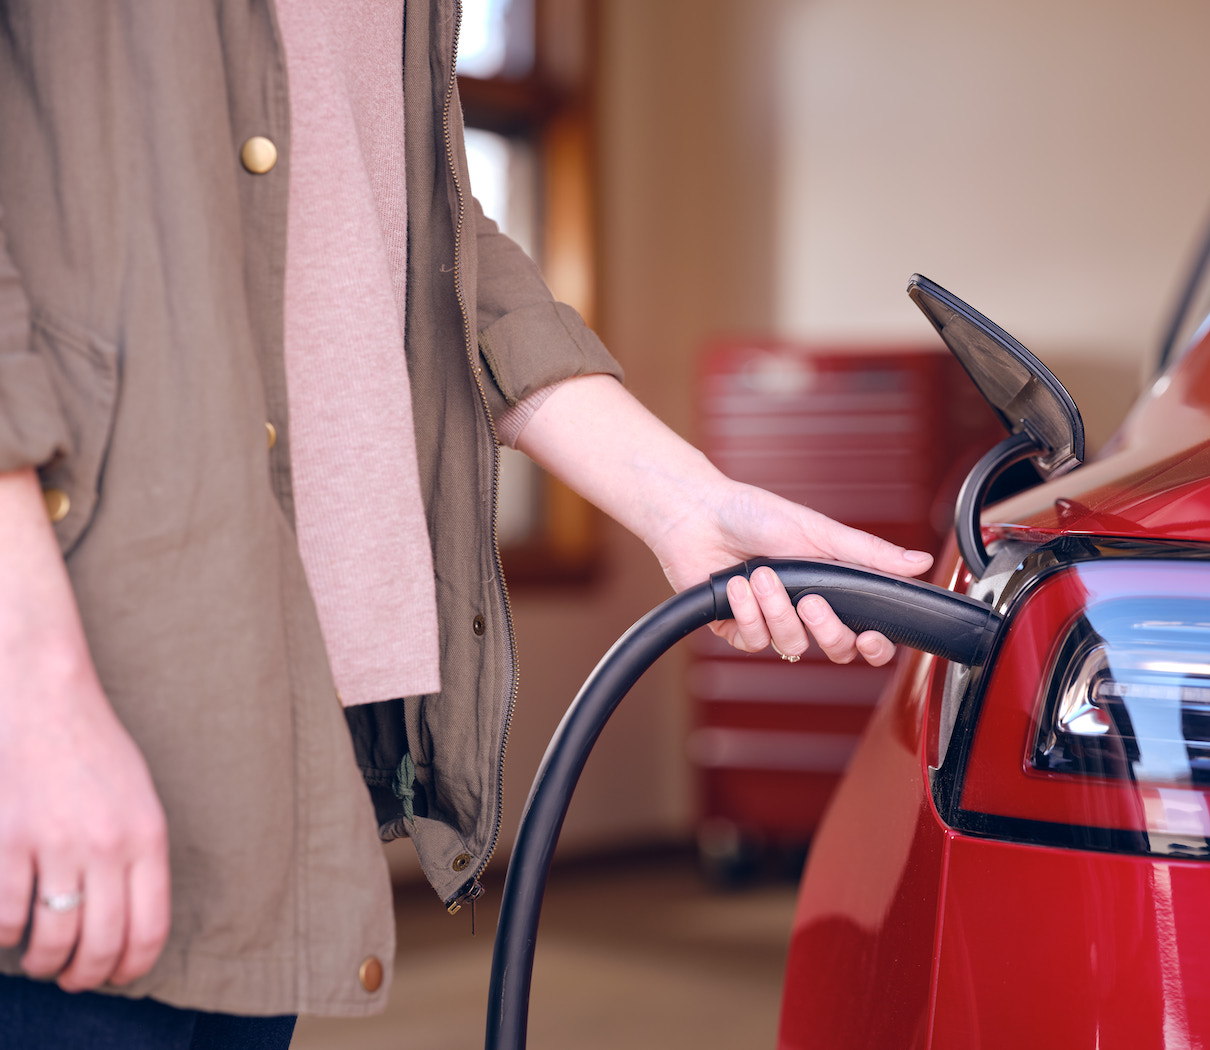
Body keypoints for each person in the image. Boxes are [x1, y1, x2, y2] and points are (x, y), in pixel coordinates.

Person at [0, 2, 933, 1046]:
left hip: (278, 685)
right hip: (73, 665)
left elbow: (416, 230)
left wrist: (683, 499)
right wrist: (26, 691)